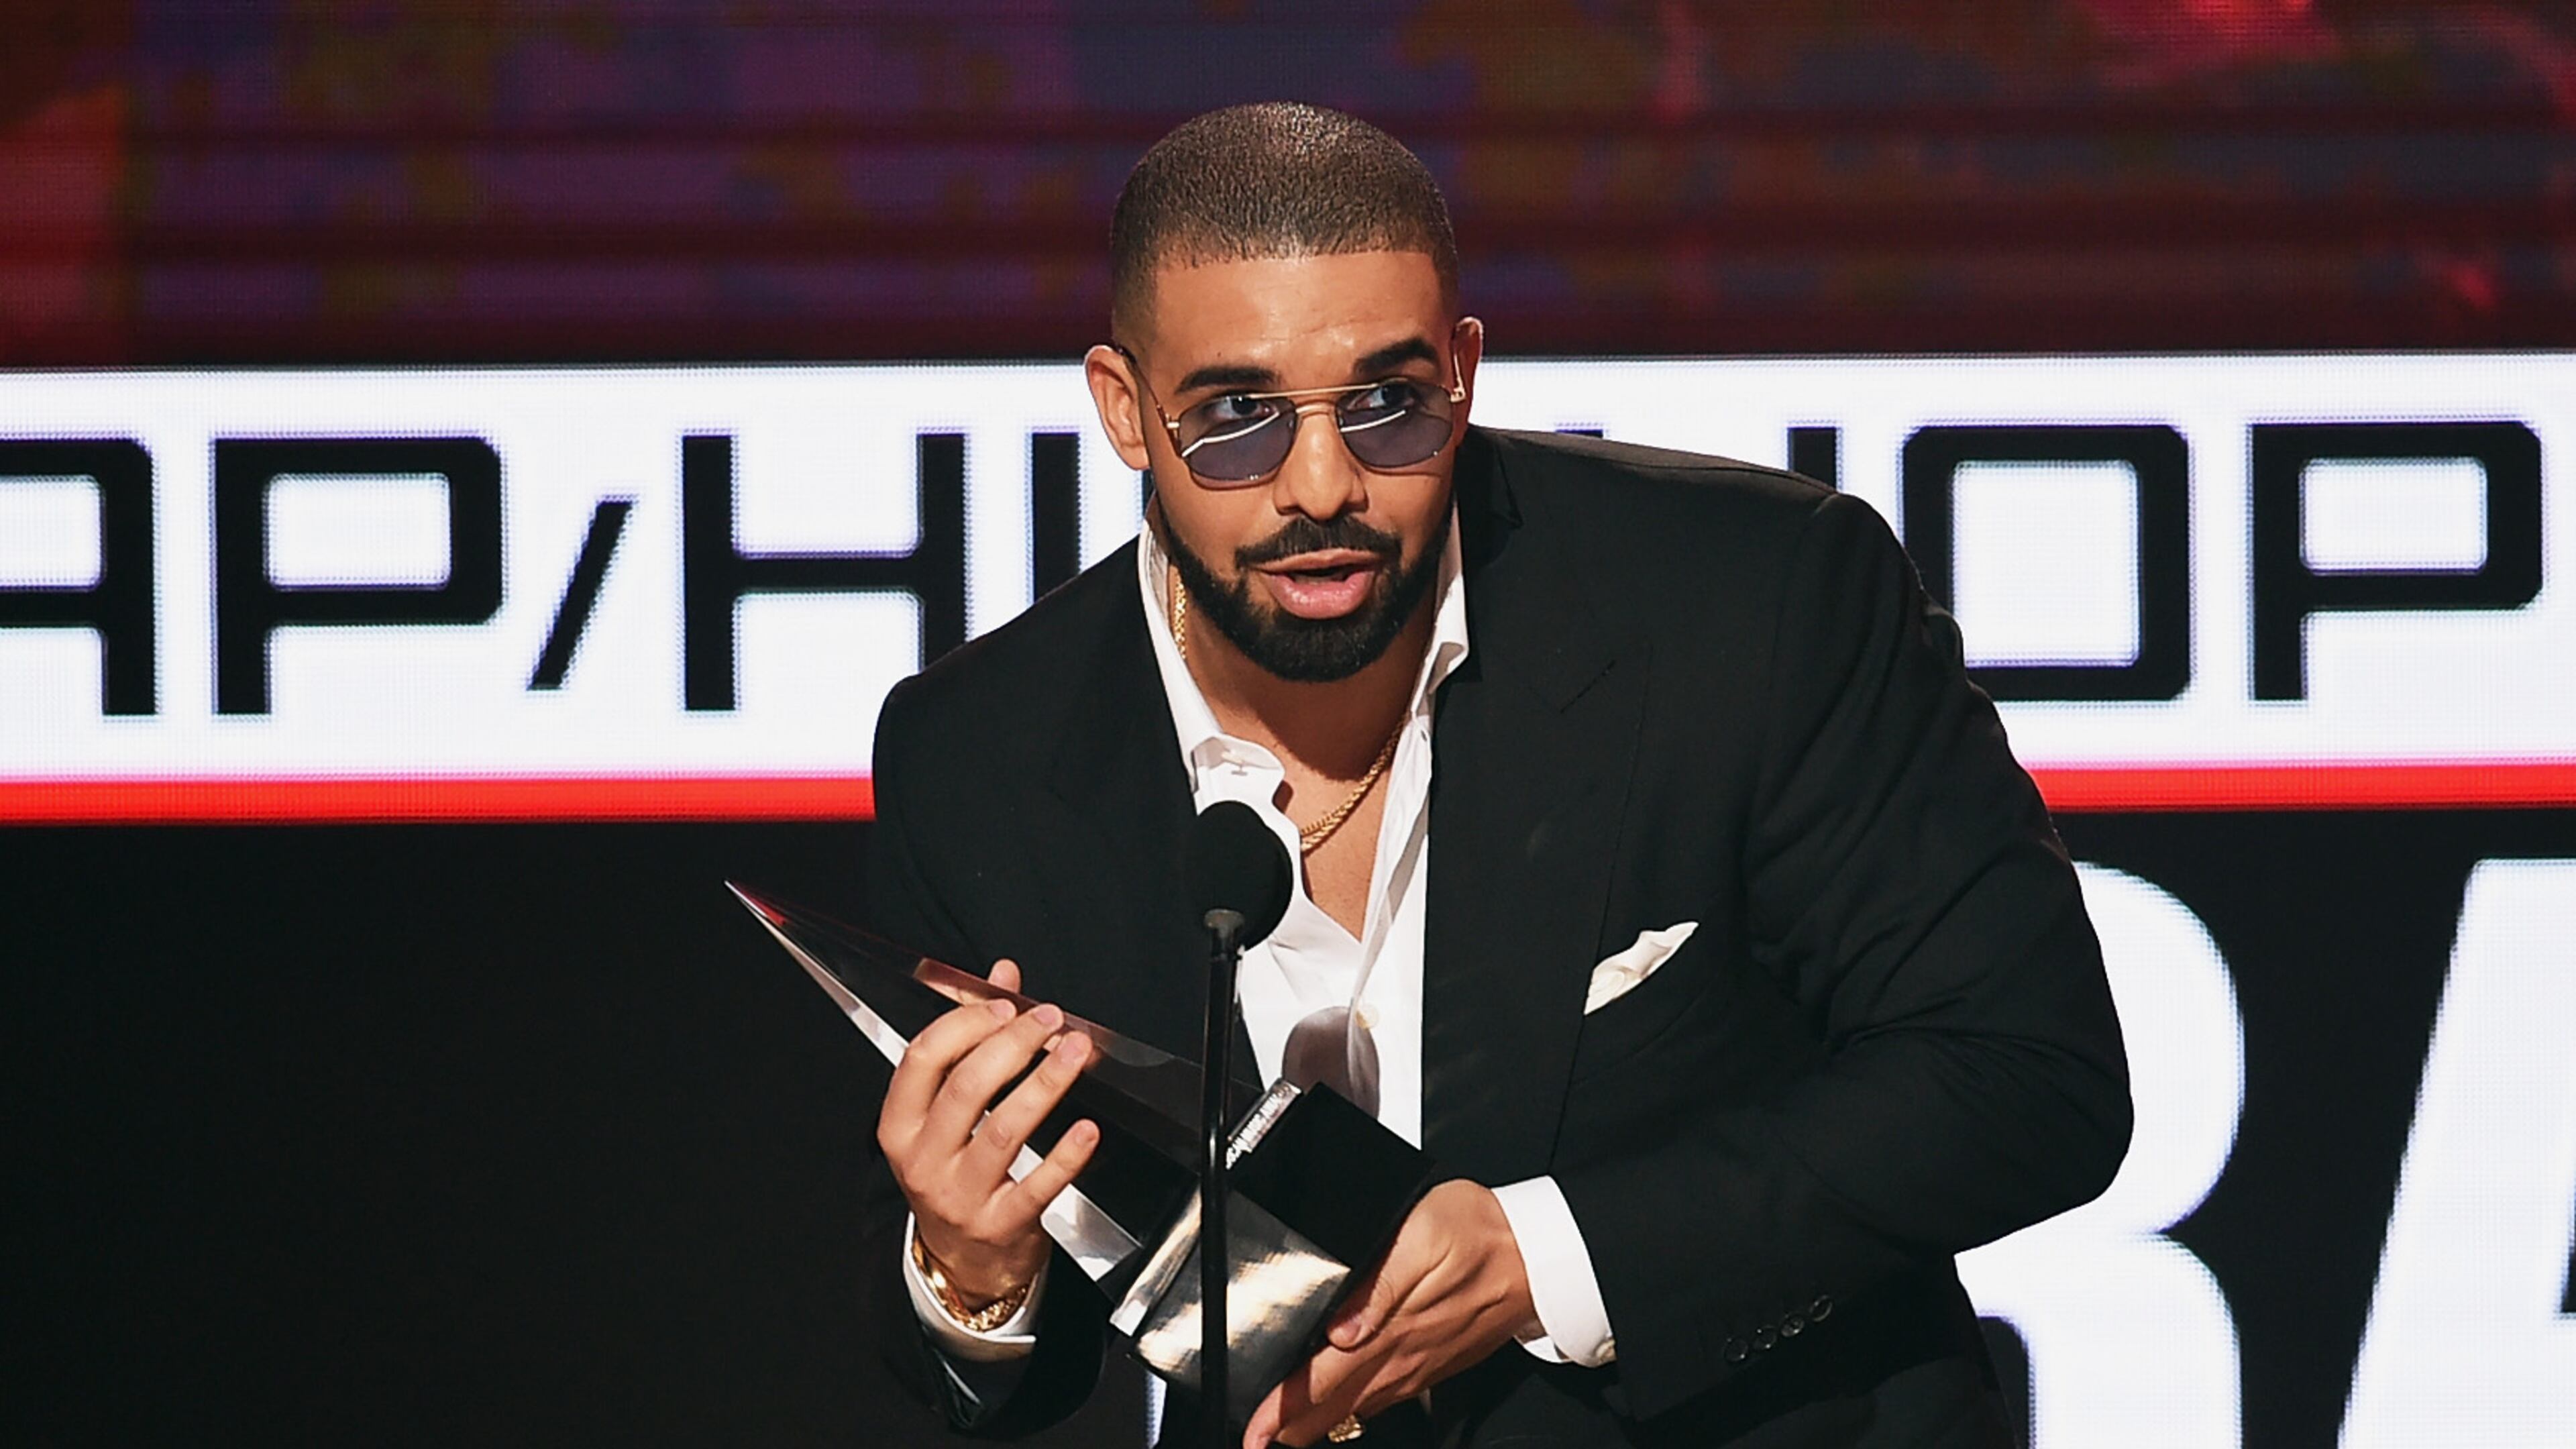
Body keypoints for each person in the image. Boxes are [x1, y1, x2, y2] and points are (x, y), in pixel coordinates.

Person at [857, 103, 2131, 1449]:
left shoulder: (1753, 604)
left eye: (1386, 406)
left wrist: (1542, 1258)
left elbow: (2022, 1074)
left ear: (1463, 373)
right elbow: (1011, 1369)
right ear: (1124, 408)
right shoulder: (982, 753)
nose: (1321, 486)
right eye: (1234, 418)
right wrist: (973, 1274)